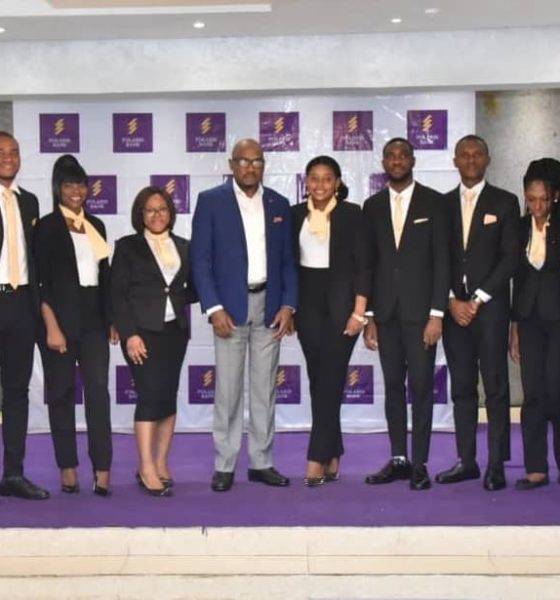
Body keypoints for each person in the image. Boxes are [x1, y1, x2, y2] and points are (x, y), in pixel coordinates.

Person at [191, 138, 297, 492]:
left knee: (265, 390)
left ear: (264, 165)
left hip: (270, 306)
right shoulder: (211, 201)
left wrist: (288, 305)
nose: (250, 167)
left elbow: (288, 261)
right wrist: (213, 307)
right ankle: (224, 465)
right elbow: (200, 260)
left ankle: (262, 462)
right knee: (228, 391)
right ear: (231, 164)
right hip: (229, 309)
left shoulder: (279, 203)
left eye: (257, 161)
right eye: (243, 161)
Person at [362, 137, 449, 491]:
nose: (397, 161)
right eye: (391, 156)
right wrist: (369, 317)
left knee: (423, 388)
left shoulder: (435, 202)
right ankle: (399, 458)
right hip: (385, 315)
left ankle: (420, 463)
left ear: (413, 160)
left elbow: (442, 262)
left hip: (421, 315)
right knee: (393, 387)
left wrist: (437, 314)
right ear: (384, 162)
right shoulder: (372, 206)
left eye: (403, 155)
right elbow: (368, 264)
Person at [436, 134, 520, 491]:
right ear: (455, 161)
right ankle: (467, 461)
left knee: (496, 388)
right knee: (462, 388)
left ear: (488, 159)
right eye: (464, 155)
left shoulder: (505, 202)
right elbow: (436, 258)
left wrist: (478, 299)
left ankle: (496, 464)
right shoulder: (441, 205)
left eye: (477, 154)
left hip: (490, 310)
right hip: (454, 311)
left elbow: (511, 257)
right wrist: (451, 300)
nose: (470, 160)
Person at [35, 156, 117, 496]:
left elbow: (105, 277)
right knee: (61, 394)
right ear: (58, 188)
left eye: (81, 184)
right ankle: (67, 467)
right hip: (59, 319)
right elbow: (40, 282)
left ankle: (102, 469)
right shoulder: (45, 227)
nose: (76, 191)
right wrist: (51, 326)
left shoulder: (96, 224)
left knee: (98, 391)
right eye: (68, 185)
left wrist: (112, 319)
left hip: (94, 320)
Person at [111, 186, 196, 497]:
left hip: (175, 332)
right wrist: (129, 333)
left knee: (168, 397)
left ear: (170, 213)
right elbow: (117, 294)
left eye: (162, 209)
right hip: (141, 333)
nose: (157, 215)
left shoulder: (184, 246)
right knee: (149, 396)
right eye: (150, 210)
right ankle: (146, 467)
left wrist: (179, 298)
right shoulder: (127, 246)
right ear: (141, 214)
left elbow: (193, 287)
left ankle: (160, 463)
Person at [291, 156, 369, 486]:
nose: (320, 185)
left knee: (331, 380)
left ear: (337, 182)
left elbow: (363, 265)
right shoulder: (295, 214)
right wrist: (288, 308)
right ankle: (333, 450)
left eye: (327, 178)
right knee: (318, 380)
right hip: (307, 306)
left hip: (342, 307)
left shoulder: (352, 214)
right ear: (306, 182)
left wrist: (359, 312)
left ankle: (316, 457)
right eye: (314, 178)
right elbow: (288, 265)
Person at [0, 131, 49, 500]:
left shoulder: (29, 202)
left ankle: (13, 474)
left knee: (17, 392)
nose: (9, 157)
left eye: (14, 152)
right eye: (2, 152)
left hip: (21, 306)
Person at [509, 167, 560, 489]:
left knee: (557, 390)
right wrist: (514, 326)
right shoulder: (518, 228)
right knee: (533, 394)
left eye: (544, 199)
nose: (538, 206)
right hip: (528, 320)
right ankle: (536, 468)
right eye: (531, 199)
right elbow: (517, 279)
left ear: (555, 197)